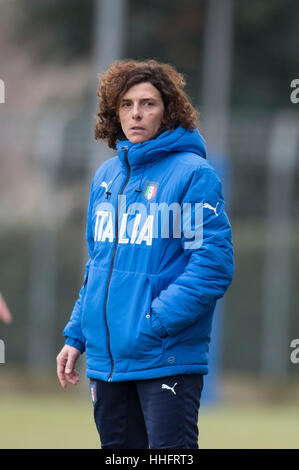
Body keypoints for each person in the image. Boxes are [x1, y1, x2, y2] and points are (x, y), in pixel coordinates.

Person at [56, 59, 234, 449]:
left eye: (148, 103)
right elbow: (98, 267)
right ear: (113, 112)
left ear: (168, 110)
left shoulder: (193, 174)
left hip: (165, 357)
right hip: (108, 361)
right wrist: (77, 335)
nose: (136, 113)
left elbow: (213, 265)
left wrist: (153, 323)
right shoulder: (106, 178)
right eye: (126, 104)